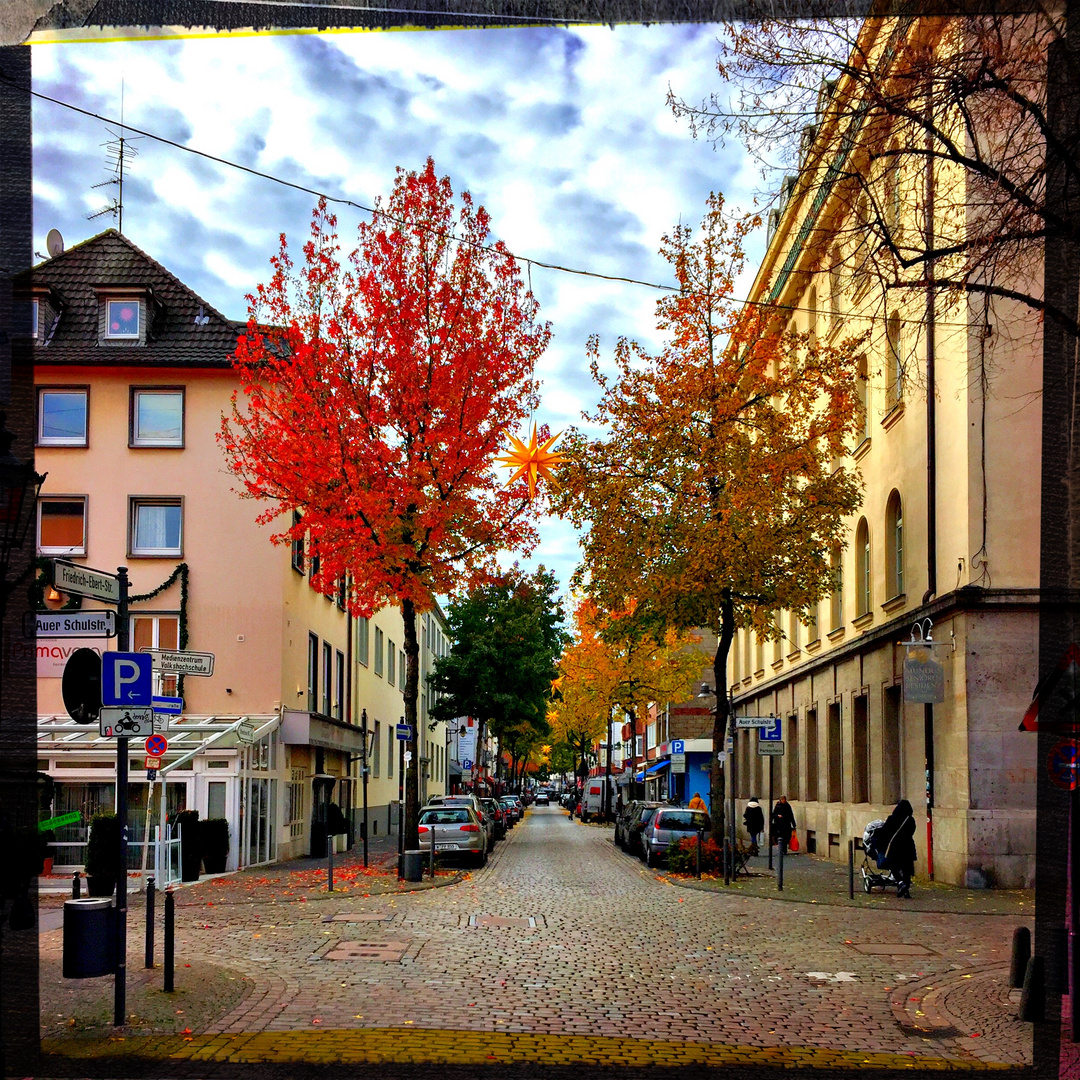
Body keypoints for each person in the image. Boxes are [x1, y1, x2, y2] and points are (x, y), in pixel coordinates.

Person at [880, 798, 917, 898]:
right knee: (907, 869)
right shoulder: (910, 819)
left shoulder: (892, 819)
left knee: (893, 865)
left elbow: (885, 831)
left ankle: (900, 883)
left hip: (895, 847)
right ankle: (906, 890)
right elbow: (912, 831)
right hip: (908, 846)